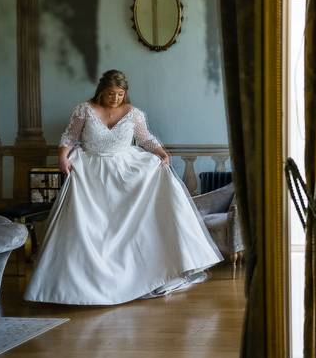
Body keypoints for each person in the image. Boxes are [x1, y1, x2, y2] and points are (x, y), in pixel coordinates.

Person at [25, 70, 223, 305]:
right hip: (92, 171)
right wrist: (63, 159)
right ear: (101, 91)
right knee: (94, 227)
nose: (116, 98)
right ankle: (83, 286)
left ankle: (143, 273)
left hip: (126, 170)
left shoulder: (133, 113)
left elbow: (145, 138)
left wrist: (160, 152)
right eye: (111, 94)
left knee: (142, 206)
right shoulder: (84, 110)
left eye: (120, 94)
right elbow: (69, 138)